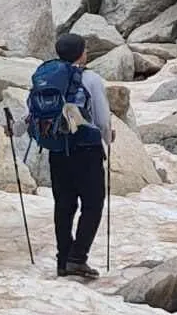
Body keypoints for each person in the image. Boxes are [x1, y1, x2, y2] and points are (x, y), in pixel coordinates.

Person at [25, 32, 112, 280]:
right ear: (81, 53)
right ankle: (78, 257)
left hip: (57, 150)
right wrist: (107, 138)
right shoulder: (90, 78)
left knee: (64, 205)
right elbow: (102, 118)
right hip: (86, 150)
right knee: (93, 204)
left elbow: (29, 113)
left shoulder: (46, 78)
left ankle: (63, 260)